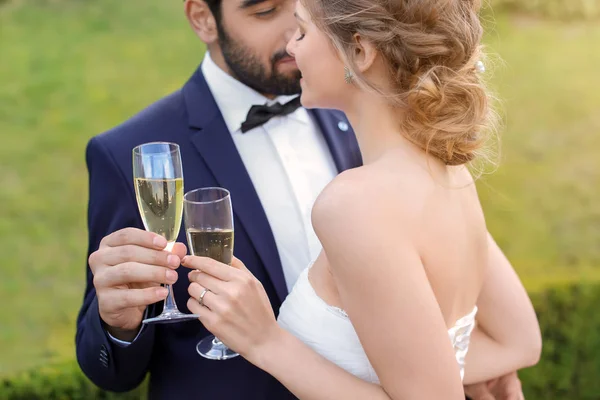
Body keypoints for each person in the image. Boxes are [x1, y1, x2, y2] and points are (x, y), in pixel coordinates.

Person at [76, 0, 533, 399]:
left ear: (360, 48)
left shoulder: (365, 135)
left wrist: (268, 342)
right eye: (265, 11)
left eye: (303, 22)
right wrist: (119, 322)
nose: (292, 40)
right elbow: (108, 367)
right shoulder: (130, 153)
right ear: (203, 18)